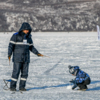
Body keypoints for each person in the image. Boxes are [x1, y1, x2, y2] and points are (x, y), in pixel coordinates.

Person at [8, 22, 44, 91]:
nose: (27, 31)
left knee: (25, 74)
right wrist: (9, 54)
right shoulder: (15, 35)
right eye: (25, 29)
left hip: (26, 58)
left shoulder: (29, 37)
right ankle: (12, 87)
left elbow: (31, 47)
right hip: (17, 58)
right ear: (22, 29)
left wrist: (37, 53)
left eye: (28, 30)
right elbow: (10, 46)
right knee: (16, 73)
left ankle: (22, 87)